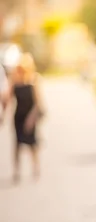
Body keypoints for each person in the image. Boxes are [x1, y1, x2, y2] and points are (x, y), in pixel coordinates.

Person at [1, 53, 44, 183]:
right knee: (18, 144)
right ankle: (17, 171)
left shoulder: (34, 80)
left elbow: (38, 103)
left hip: (30, 115)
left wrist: (31, 119)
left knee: (32, 144)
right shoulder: (15, 82)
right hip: (18, 116)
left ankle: (36, 168)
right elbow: (7, 100)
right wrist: (2, 115)